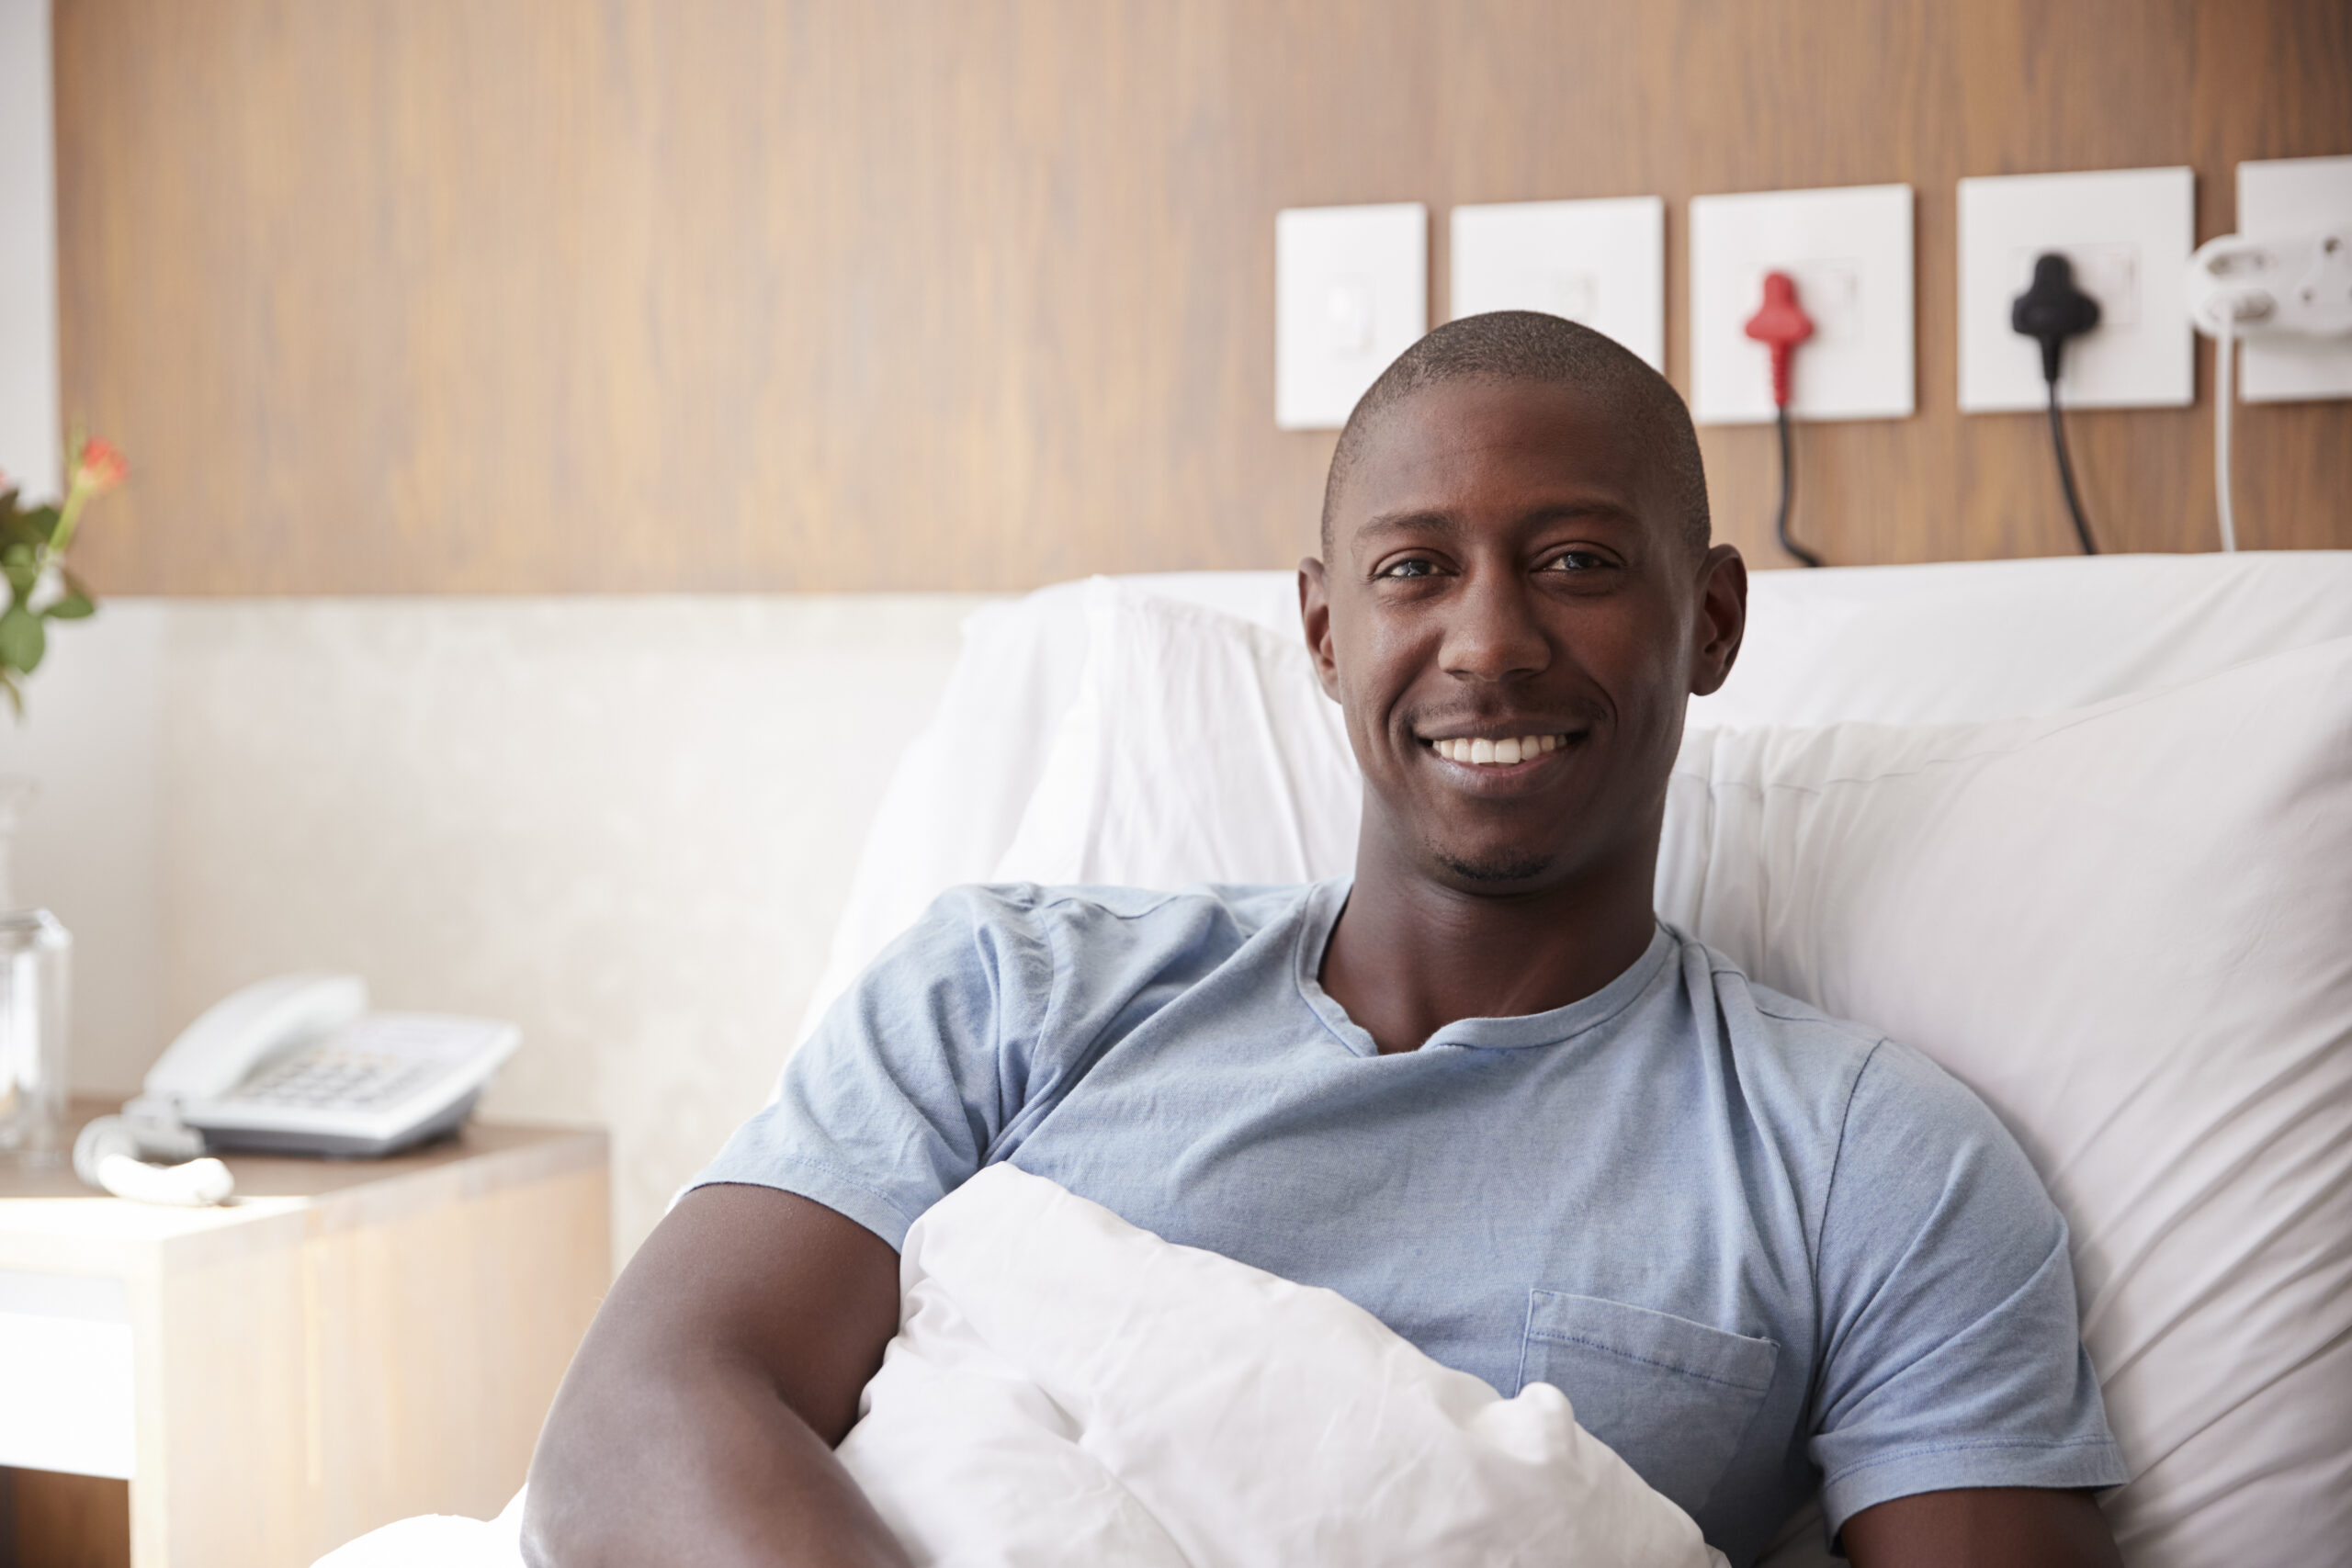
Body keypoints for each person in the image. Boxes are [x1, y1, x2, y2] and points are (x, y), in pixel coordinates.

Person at [522, 312, 2128, 1568]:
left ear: (1708, 621)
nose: (1488, 642)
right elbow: (636, 1432)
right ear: (1322, 630)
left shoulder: (1872, 1165)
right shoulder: (1010, 994)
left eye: (1573, 563)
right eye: (1415, 571)